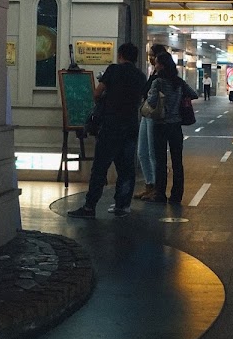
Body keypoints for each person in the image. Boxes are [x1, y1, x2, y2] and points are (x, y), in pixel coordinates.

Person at [68, 43, 147, 219]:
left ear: (120, 55)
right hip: (130, 126)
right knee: (126, 169)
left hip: (111, 126)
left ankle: (89, 207)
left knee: (100, 168)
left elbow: (97, 93)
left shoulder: (113, 70)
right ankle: (122, 205)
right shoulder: (140, 76)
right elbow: (142, 98)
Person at [145, 51, 199, 204]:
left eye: (156, 63)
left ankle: (160, 194)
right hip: (175, 125)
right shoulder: (178, 82)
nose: (154, 65)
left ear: (160, 65)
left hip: (160, 125)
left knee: (161, 161)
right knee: (177, 161)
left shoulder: (158, 82)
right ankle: (176, 195)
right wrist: (179, 98)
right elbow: (193, 94)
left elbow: (151, 101)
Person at [136, 44, 166, 201]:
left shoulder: (163, 75)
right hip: (146, 113)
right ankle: (149, 184)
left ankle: (156, 187)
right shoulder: (153, 72)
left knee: (153, 152)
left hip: (155, 115)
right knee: (142, 151)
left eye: (152, 54)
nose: (150, 57)